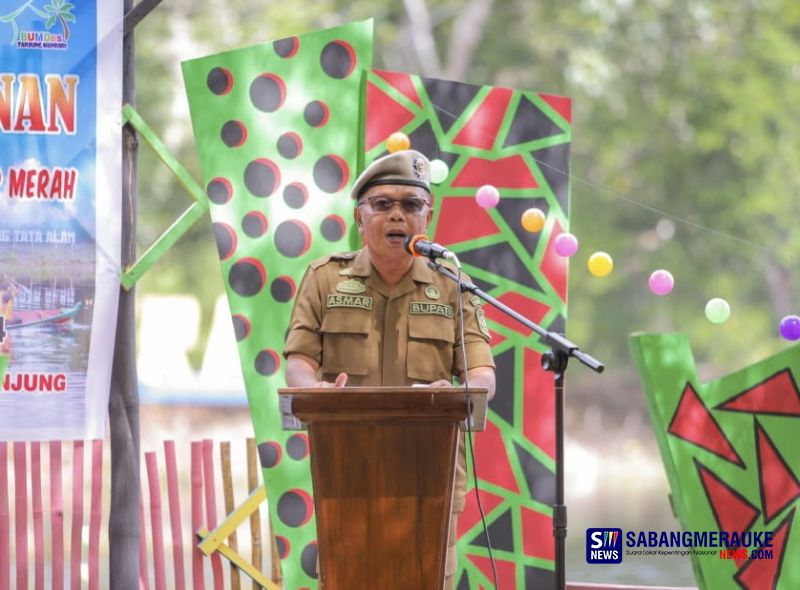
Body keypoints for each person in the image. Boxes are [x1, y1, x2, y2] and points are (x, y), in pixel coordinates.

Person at [283, 149, 496, 589]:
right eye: (383, 204)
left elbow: (482, 374)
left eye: (410, 205)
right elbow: (298, 363)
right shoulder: (325, 278)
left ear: (427, 218)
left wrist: (453, 395)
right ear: (360, 218)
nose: (397, 215)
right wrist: (317, 390)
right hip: (346, 472)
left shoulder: (453, 285)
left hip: (429, 477)